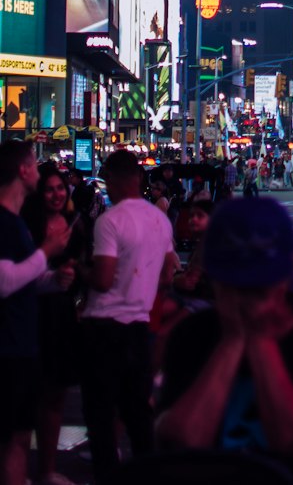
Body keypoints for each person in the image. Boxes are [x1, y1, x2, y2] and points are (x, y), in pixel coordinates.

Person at [156, 198, 293, 484]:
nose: (245, 296)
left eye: (258, 284)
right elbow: (182, 440)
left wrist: (260, 339)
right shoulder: (194, 334)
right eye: (233, 285)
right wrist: (233, 340)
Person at [78, 149, 178, 484]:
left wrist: (81, 271)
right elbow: (168, 273)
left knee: (101, 415)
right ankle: (148, 474)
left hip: (105, 326)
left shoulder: (111, 220)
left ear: (116, 180)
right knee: (138, 413)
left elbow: (104, 279)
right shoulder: (159, 220)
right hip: (139, 326)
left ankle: (107, 476)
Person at [0, 144, 72, 485]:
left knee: (17, 435)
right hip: (9, 347)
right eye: (35, 166)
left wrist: (53, 280)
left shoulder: (15, 223)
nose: (42, 175)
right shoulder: (6, 224)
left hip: (21, 342)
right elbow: (5, 282)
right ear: (24, 171)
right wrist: (47, 252)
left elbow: (22, 279)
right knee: (13, 440)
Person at [22, 165, 86, 485]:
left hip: (61, 315)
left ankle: (47, 469)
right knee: (27, 396)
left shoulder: (76, 225)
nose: (57, 194)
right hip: (31, 314)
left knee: (56, 394)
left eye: (61, 188)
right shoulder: (27, 226)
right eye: (49, 189)